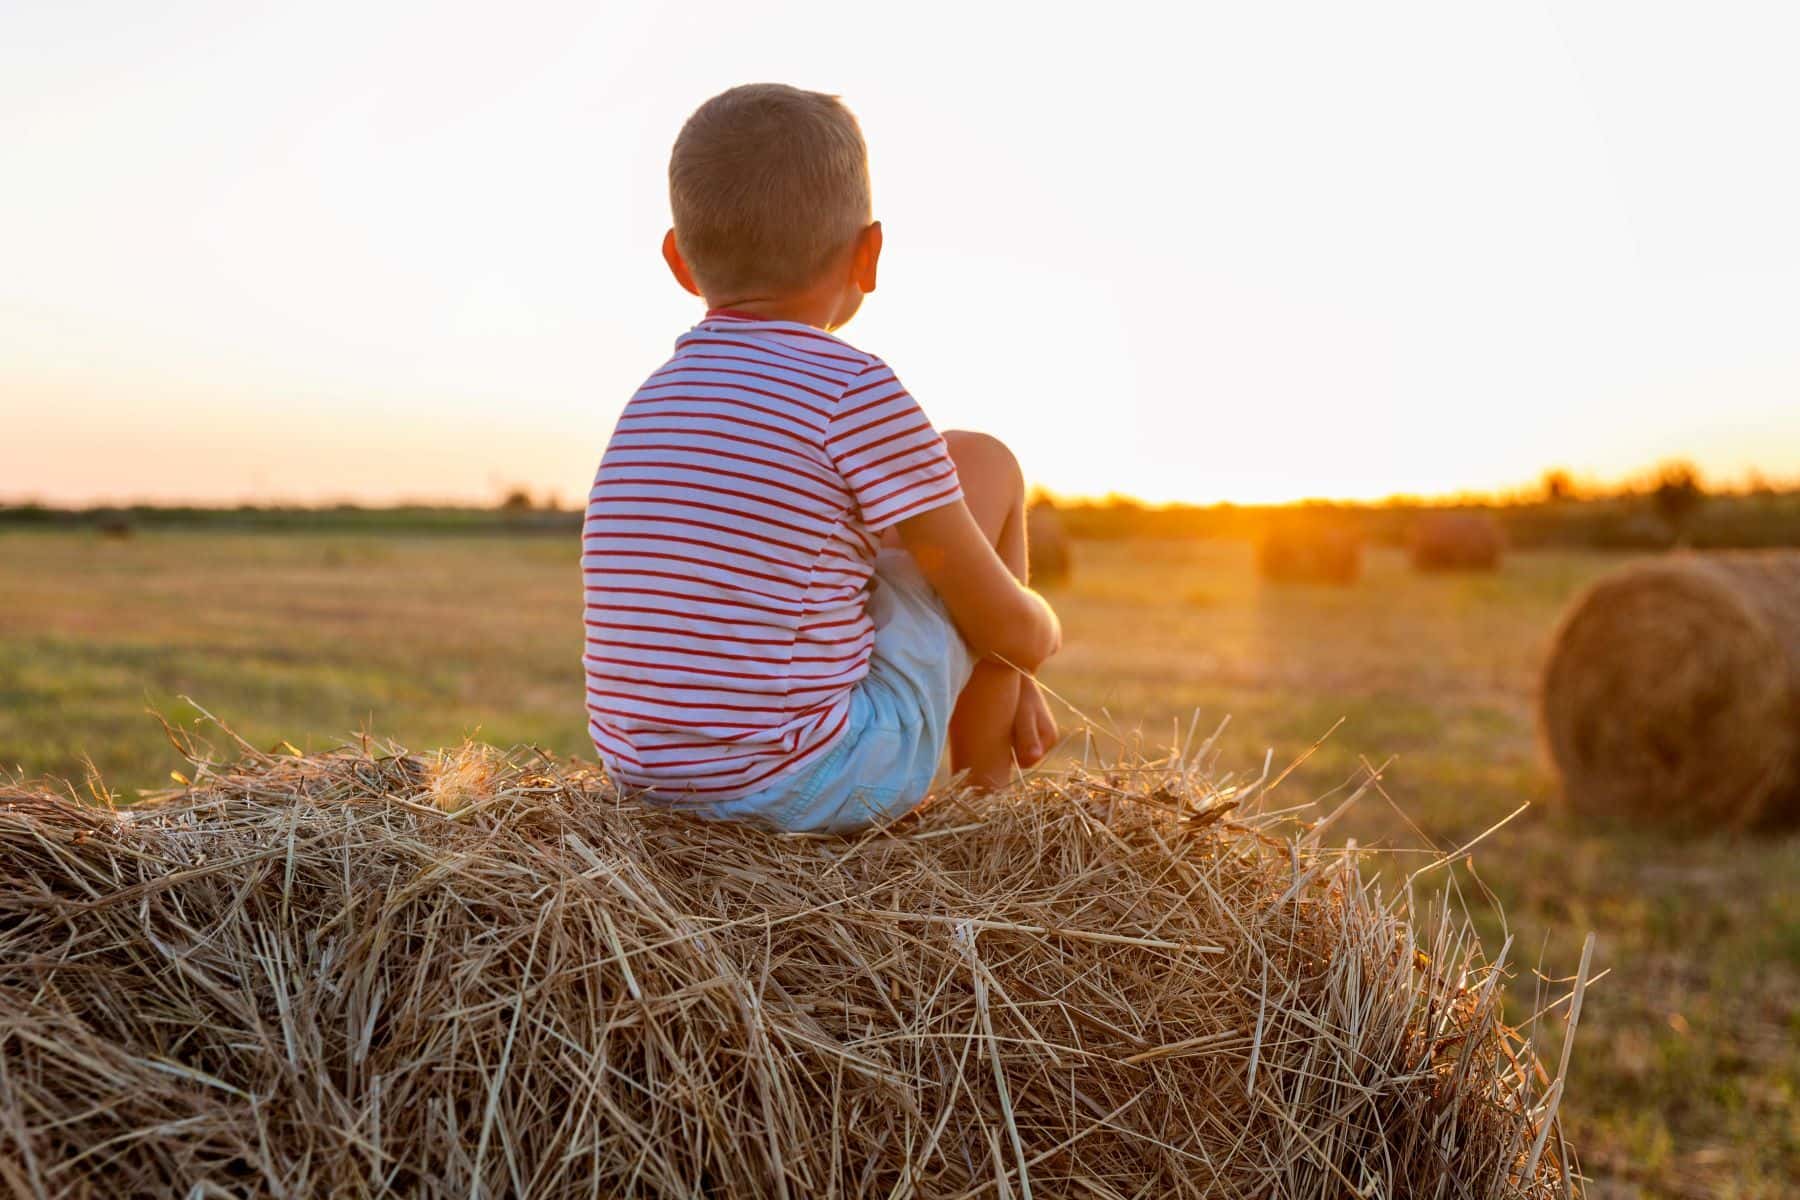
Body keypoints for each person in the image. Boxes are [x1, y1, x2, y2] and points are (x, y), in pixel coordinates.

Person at [581, 83, 1060, 832]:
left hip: (646, 779)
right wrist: (1025, 645)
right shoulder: (854, 391)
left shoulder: (655, 397)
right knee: (984, 461)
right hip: (800, 778)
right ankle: (986, 811)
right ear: (869, 254)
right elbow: (1013, 628)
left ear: (680, 260)